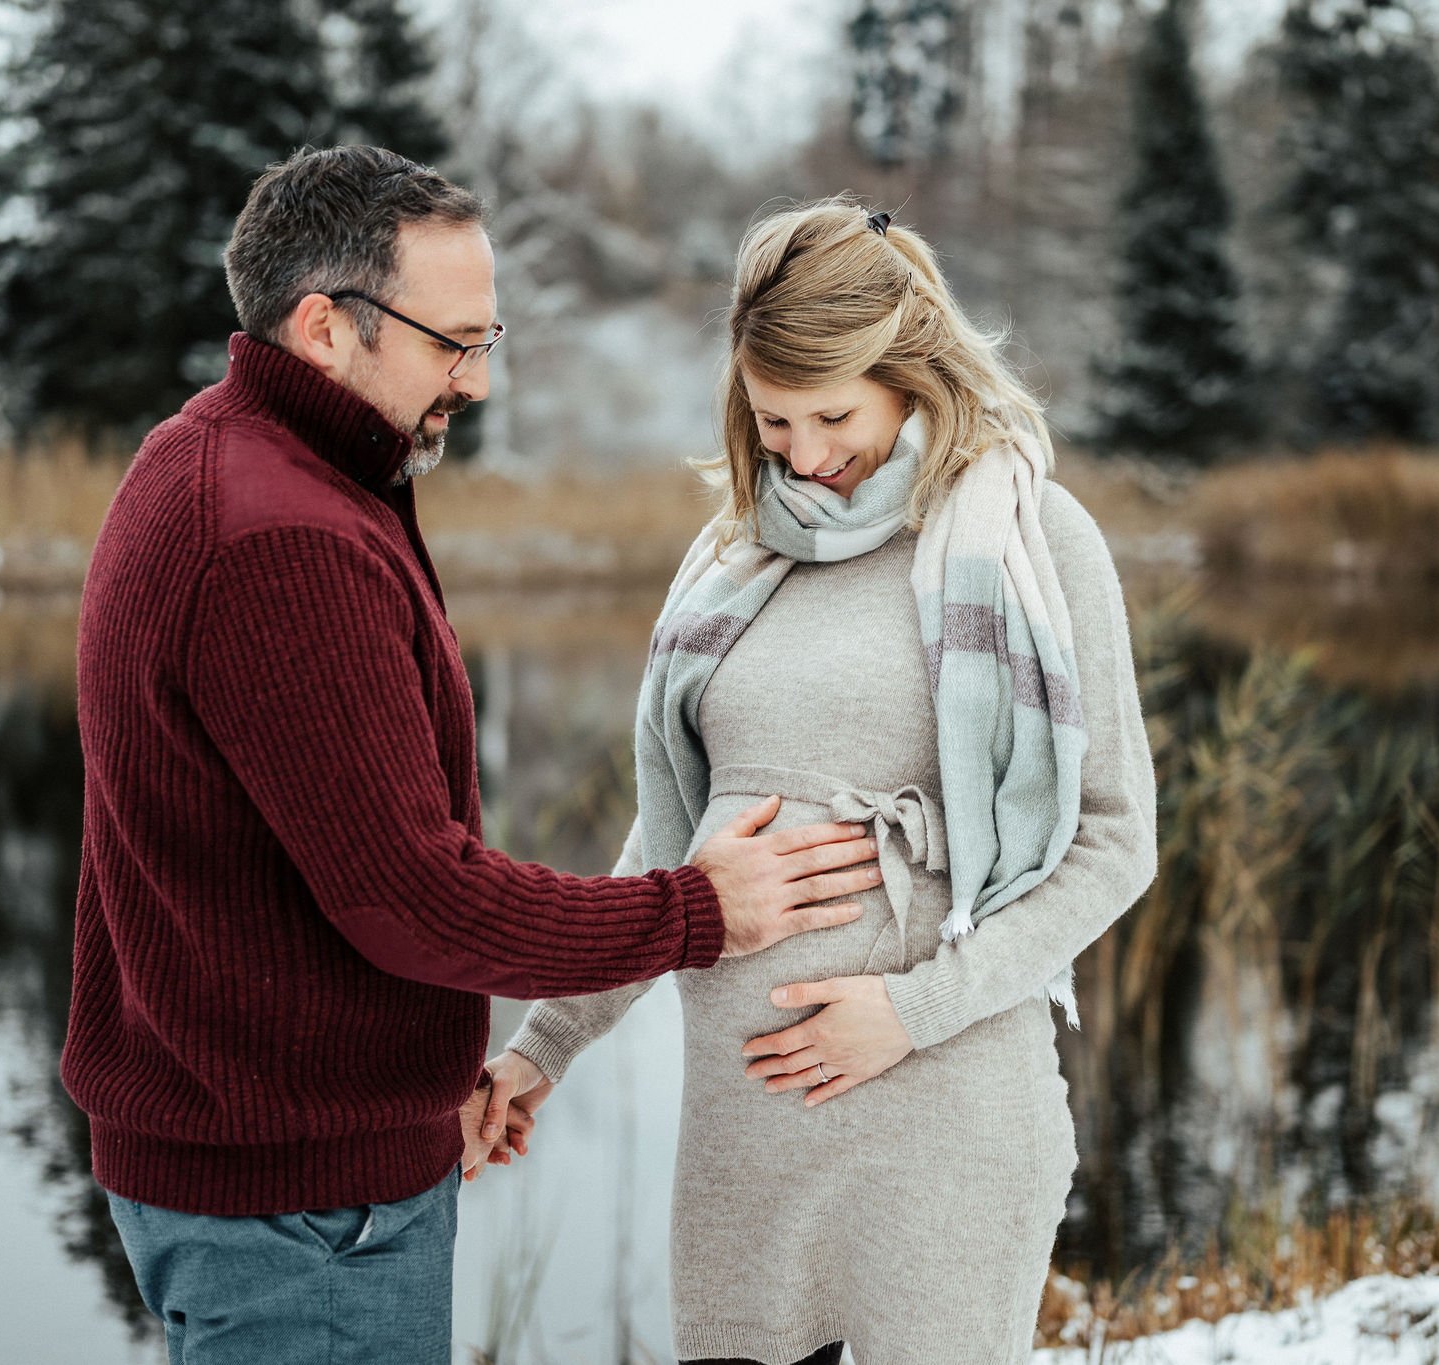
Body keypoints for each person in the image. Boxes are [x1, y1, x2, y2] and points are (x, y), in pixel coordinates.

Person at [60, 147, 884, 1365]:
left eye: (486, 335)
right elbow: (414, 896)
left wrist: (415, 1077)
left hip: (268, 1165)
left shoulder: (216, 457)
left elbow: (307, 865)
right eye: (451, 341)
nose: (480, 380)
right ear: (325, 326)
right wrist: (694, 911)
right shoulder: (280, 536)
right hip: (297, 1214)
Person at [474, 200, 1159, 1364]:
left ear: (911, 372)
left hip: (942, 1108)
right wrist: (545, 1044)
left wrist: (910, 1013)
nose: (800, 452)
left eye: (831, 413)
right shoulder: (731, 554)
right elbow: (673, 839)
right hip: (744, 1132)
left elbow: (1111, 842)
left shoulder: (1033, 538)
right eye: (770, 416)